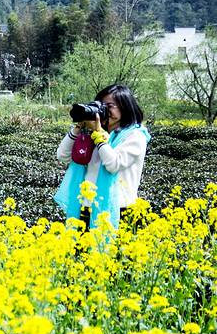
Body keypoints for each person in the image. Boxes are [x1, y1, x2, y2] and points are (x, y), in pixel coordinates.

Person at [54, 84, 151, 229]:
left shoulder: (135, 136)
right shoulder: (94, 134)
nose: (105, 111)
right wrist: (79, 127)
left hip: (117, 211)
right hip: (87, 207)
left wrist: (99, 135)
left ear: (125, 107)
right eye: (101, 106)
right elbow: (62, 155)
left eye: (109, 106)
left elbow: (114, 164)